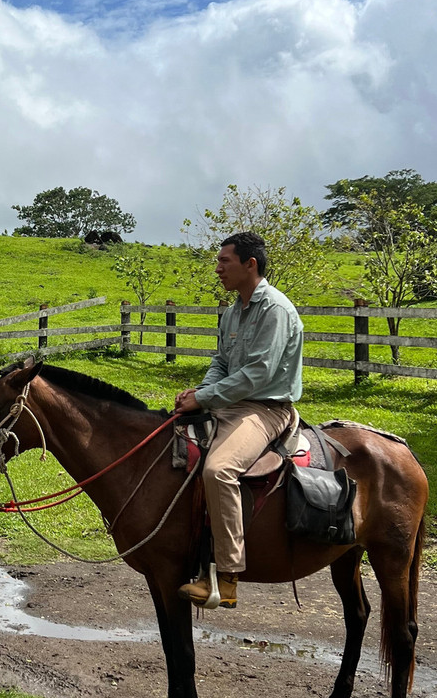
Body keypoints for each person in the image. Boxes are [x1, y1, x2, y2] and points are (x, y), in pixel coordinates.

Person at [174, 231, 303, 609]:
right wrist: (199, 396)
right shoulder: (233, 310)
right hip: (228, 403)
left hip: (265, 409)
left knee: (219, 470)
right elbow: (222, 362)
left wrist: (204, 397)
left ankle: (227, 578)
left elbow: (260, 373)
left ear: (251, 264)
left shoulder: (275, 310)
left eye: (223, 262)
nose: (217, 269)